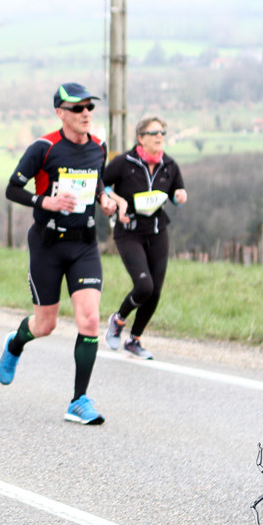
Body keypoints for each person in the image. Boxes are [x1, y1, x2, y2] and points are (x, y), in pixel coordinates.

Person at [0, 82, 120, 425]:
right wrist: (44, 201)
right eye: (78, 108)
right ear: (61, 113)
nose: (86, 113)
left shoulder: (99, 146)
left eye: (90, 107)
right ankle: (15, 344)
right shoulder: (44, 147)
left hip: (84, 245)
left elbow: (98, 183)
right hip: (47, 245)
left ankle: (78, 400)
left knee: (90, 319)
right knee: (45, 324)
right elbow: (12, 188)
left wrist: (105, 200)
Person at [102, 115, 187, 359]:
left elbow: (176, 193)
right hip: (129, 232)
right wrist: (117, 200)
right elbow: (101, 185)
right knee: (144, 286)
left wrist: (180, 197)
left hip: (158, 231)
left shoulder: (169, 165)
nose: (160, 136)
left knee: (155, 291)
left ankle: (134, 339)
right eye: (154, 133)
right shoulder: (124, 162)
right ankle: (118, 320)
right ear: (140, 138)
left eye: (163, 133)